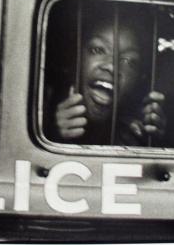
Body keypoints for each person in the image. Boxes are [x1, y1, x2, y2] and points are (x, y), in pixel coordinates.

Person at [53, 14, 166, 146]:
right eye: (98, 50)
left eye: (129, 61)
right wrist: (53, 136)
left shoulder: (133, 131)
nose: (112, 66)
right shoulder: (39, 107)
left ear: (138, 80)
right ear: (75, 56)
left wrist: (152, 144)